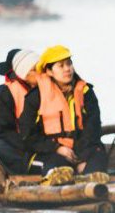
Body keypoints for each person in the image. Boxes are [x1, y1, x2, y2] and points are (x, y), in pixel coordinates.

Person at [19, 45, 107, 177]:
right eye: (61, 66)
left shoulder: (86, 92)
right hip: (50, 152)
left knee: (96, 168)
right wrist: (57, 149)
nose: (67, 69)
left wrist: (82, 158)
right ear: (49, 71)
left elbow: (93, 128)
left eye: (69, 63)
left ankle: (90, 184)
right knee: (60, 173)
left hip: (83, 150)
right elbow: (28, 136)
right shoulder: (35, 97)